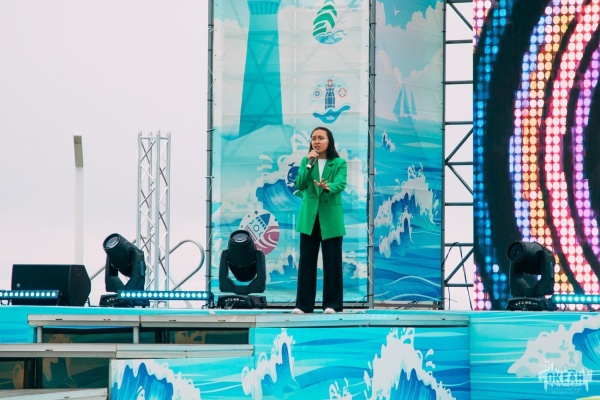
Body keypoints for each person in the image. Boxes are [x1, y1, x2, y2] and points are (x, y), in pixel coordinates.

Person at [292, 127, 347, 314]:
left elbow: (341, 184)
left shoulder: (339, 163)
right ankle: (303, 305)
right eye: (314, 138)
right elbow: (299, 184)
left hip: (330, 218)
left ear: (329, 141)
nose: (316, 141)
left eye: (321, 138)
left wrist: (327, 186)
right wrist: (309, 165)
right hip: (309, 218)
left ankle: (333, 304)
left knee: (332, 262)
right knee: (307, 262)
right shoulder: (306, 161)